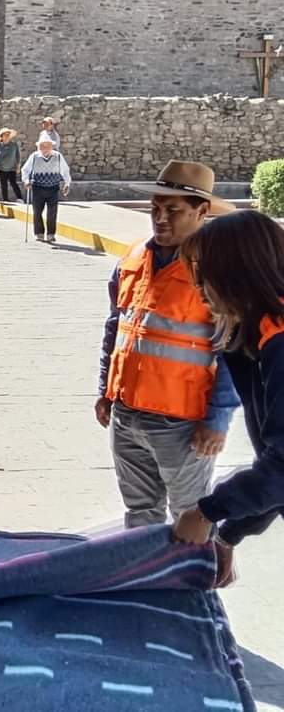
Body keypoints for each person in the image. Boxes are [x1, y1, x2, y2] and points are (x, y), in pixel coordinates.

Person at [95, 161, 238, 530]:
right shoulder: (132, 258)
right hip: (126, 414)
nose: (160, 218)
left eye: (173, 210)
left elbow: (235, 350)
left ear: (201, 211)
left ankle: (195, 586)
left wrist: (218, 418)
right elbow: (117, 326)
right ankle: (147, 585)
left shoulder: (218, 268)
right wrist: (105, 391)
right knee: (140, 515)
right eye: (155, 208)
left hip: (182, 423)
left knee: (191, 519)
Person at [171, 210, 284, 588]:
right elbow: (274, 463)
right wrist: (228, 533)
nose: (199, 284)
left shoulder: (280, 343)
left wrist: (208, 512)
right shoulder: (258, 338)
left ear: (239, 272)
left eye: (206, 272)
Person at [21, 133, 72, 242]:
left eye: (47, 146)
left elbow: (65, 170)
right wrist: (26, 181)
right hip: (37, 188)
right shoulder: (34, 156)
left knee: (52, 212)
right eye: (42, 146)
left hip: (53, 187)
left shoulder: (58, 156)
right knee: (37, 211)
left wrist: (67, 183)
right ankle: (39, 233)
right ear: (39, 146)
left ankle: (50, 234)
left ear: (51, 146)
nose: (45, 148)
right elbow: (25, 170)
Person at [0, 128, 23, 202]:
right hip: (2, 168)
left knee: (14, 183)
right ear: (2, 137)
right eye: (5, 135)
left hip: (12, 168)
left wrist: (18, 166)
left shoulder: (14, 145)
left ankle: (20, 198)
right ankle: (5, 200)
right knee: (3, 185)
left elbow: (18, 156)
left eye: (8, 135)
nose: (6, 136)